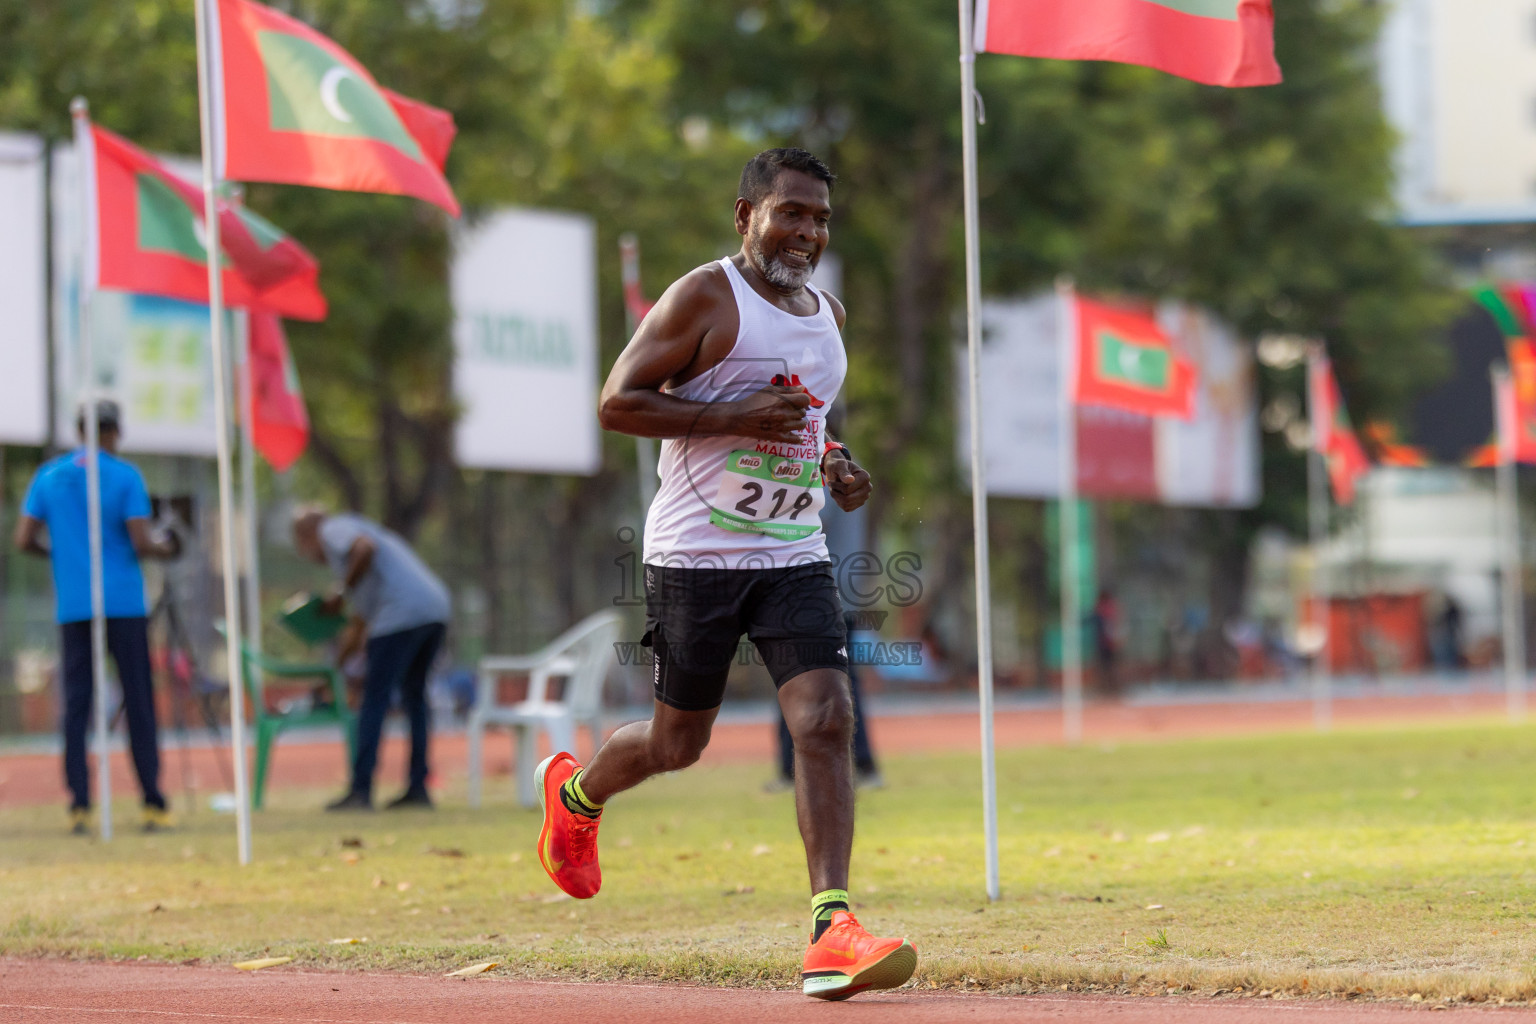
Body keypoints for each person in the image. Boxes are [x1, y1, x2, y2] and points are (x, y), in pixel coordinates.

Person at [535, 147, 916, 1001]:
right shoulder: (706, 296)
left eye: (820, 218)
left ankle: (832, 928)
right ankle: (578, 796)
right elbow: (618, 400)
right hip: (695, 559)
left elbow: (810, 422)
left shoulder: (830, 314)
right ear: (745, 216)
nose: (807, 233)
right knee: (679, 745)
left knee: (824, 718)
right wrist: (728, 413)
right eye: (790, 213)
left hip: (791, 554)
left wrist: (838, 466)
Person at [14, 401, 178, 834]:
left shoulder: (49, 476)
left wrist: (61, 556)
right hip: (123, 602)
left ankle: (80, 804)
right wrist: (168, 546)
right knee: (138, 701)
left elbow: (23, 538)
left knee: (77, 705)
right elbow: (142, 541)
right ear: (114, 432)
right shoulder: (125, 475)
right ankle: (151, 802)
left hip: (74, 604)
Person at [292, 506, 450, 811]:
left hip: (401, 614)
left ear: (307, 535)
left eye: (304, 548)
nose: (310, 556)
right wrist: (334, 669)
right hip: (434, 609)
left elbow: (365, 548)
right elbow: (360, 623)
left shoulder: (333, 529)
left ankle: (360, 789)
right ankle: (418, 787)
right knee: (414, 698)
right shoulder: (353, 560)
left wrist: (340, 593)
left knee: (374, 700)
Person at [769, 497, 882, 792]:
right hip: (839, 591)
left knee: (794, 676)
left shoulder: (820, 463)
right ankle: (862, 764)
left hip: (818, 591)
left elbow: (805, 520)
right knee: (839, 680)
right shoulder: (844, 463)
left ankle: (791, 768)